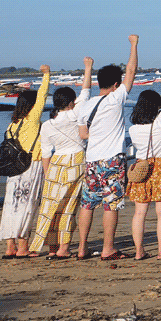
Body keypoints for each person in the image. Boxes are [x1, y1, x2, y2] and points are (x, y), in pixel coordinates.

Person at [76, 35, 139, 260]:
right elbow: (131, 71)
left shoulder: (86, 106)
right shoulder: (115, 99)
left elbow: (83, 134)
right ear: (115, 85)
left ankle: (82, 248)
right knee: (111, 205)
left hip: (92, 160)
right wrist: (133, 44)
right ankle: (108, 248)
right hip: (112, 159)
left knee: (87, 204)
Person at [30, 57, 93, 258]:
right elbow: (86, 91)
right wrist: (88, 68)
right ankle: (63, 248)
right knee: (68, 208)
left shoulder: (47, 126)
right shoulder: (77, 114)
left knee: (50, 207)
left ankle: (50, 247)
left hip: (56, 164)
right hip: (76, 160)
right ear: (71, 102)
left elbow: (45, 153)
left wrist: (48, 175)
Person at [0, 65, 51, 258]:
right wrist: (46, 75)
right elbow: (43, 96)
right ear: (32, 106)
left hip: (14, 170)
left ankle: (10, 247)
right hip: (31, 167)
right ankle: (22, 247)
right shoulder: (32, 121)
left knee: (11, 206)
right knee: (28, 206)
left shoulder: (12, 125)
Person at [125, 87, 161, 259]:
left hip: (141, 168)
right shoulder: (159, 123)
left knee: (139, 213)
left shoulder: (133, 129)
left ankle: (139, 251)